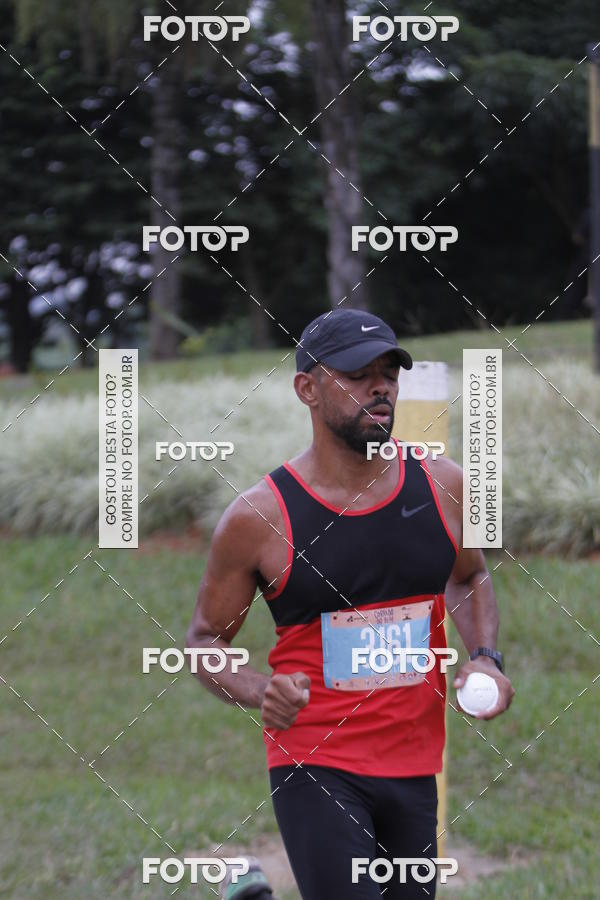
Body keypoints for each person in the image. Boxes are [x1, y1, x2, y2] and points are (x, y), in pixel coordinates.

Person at [187, 308, 515, 899]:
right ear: (307, 389)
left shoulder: (443, 484)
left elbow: (469, 577)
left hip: (415, 758)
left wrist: (487, 655)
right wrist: (260, 690)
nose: (380, 386)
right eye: (357, 374)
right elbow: (205, 641)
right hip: (316, 757)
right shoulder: (260, 517)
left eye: (389, 372)